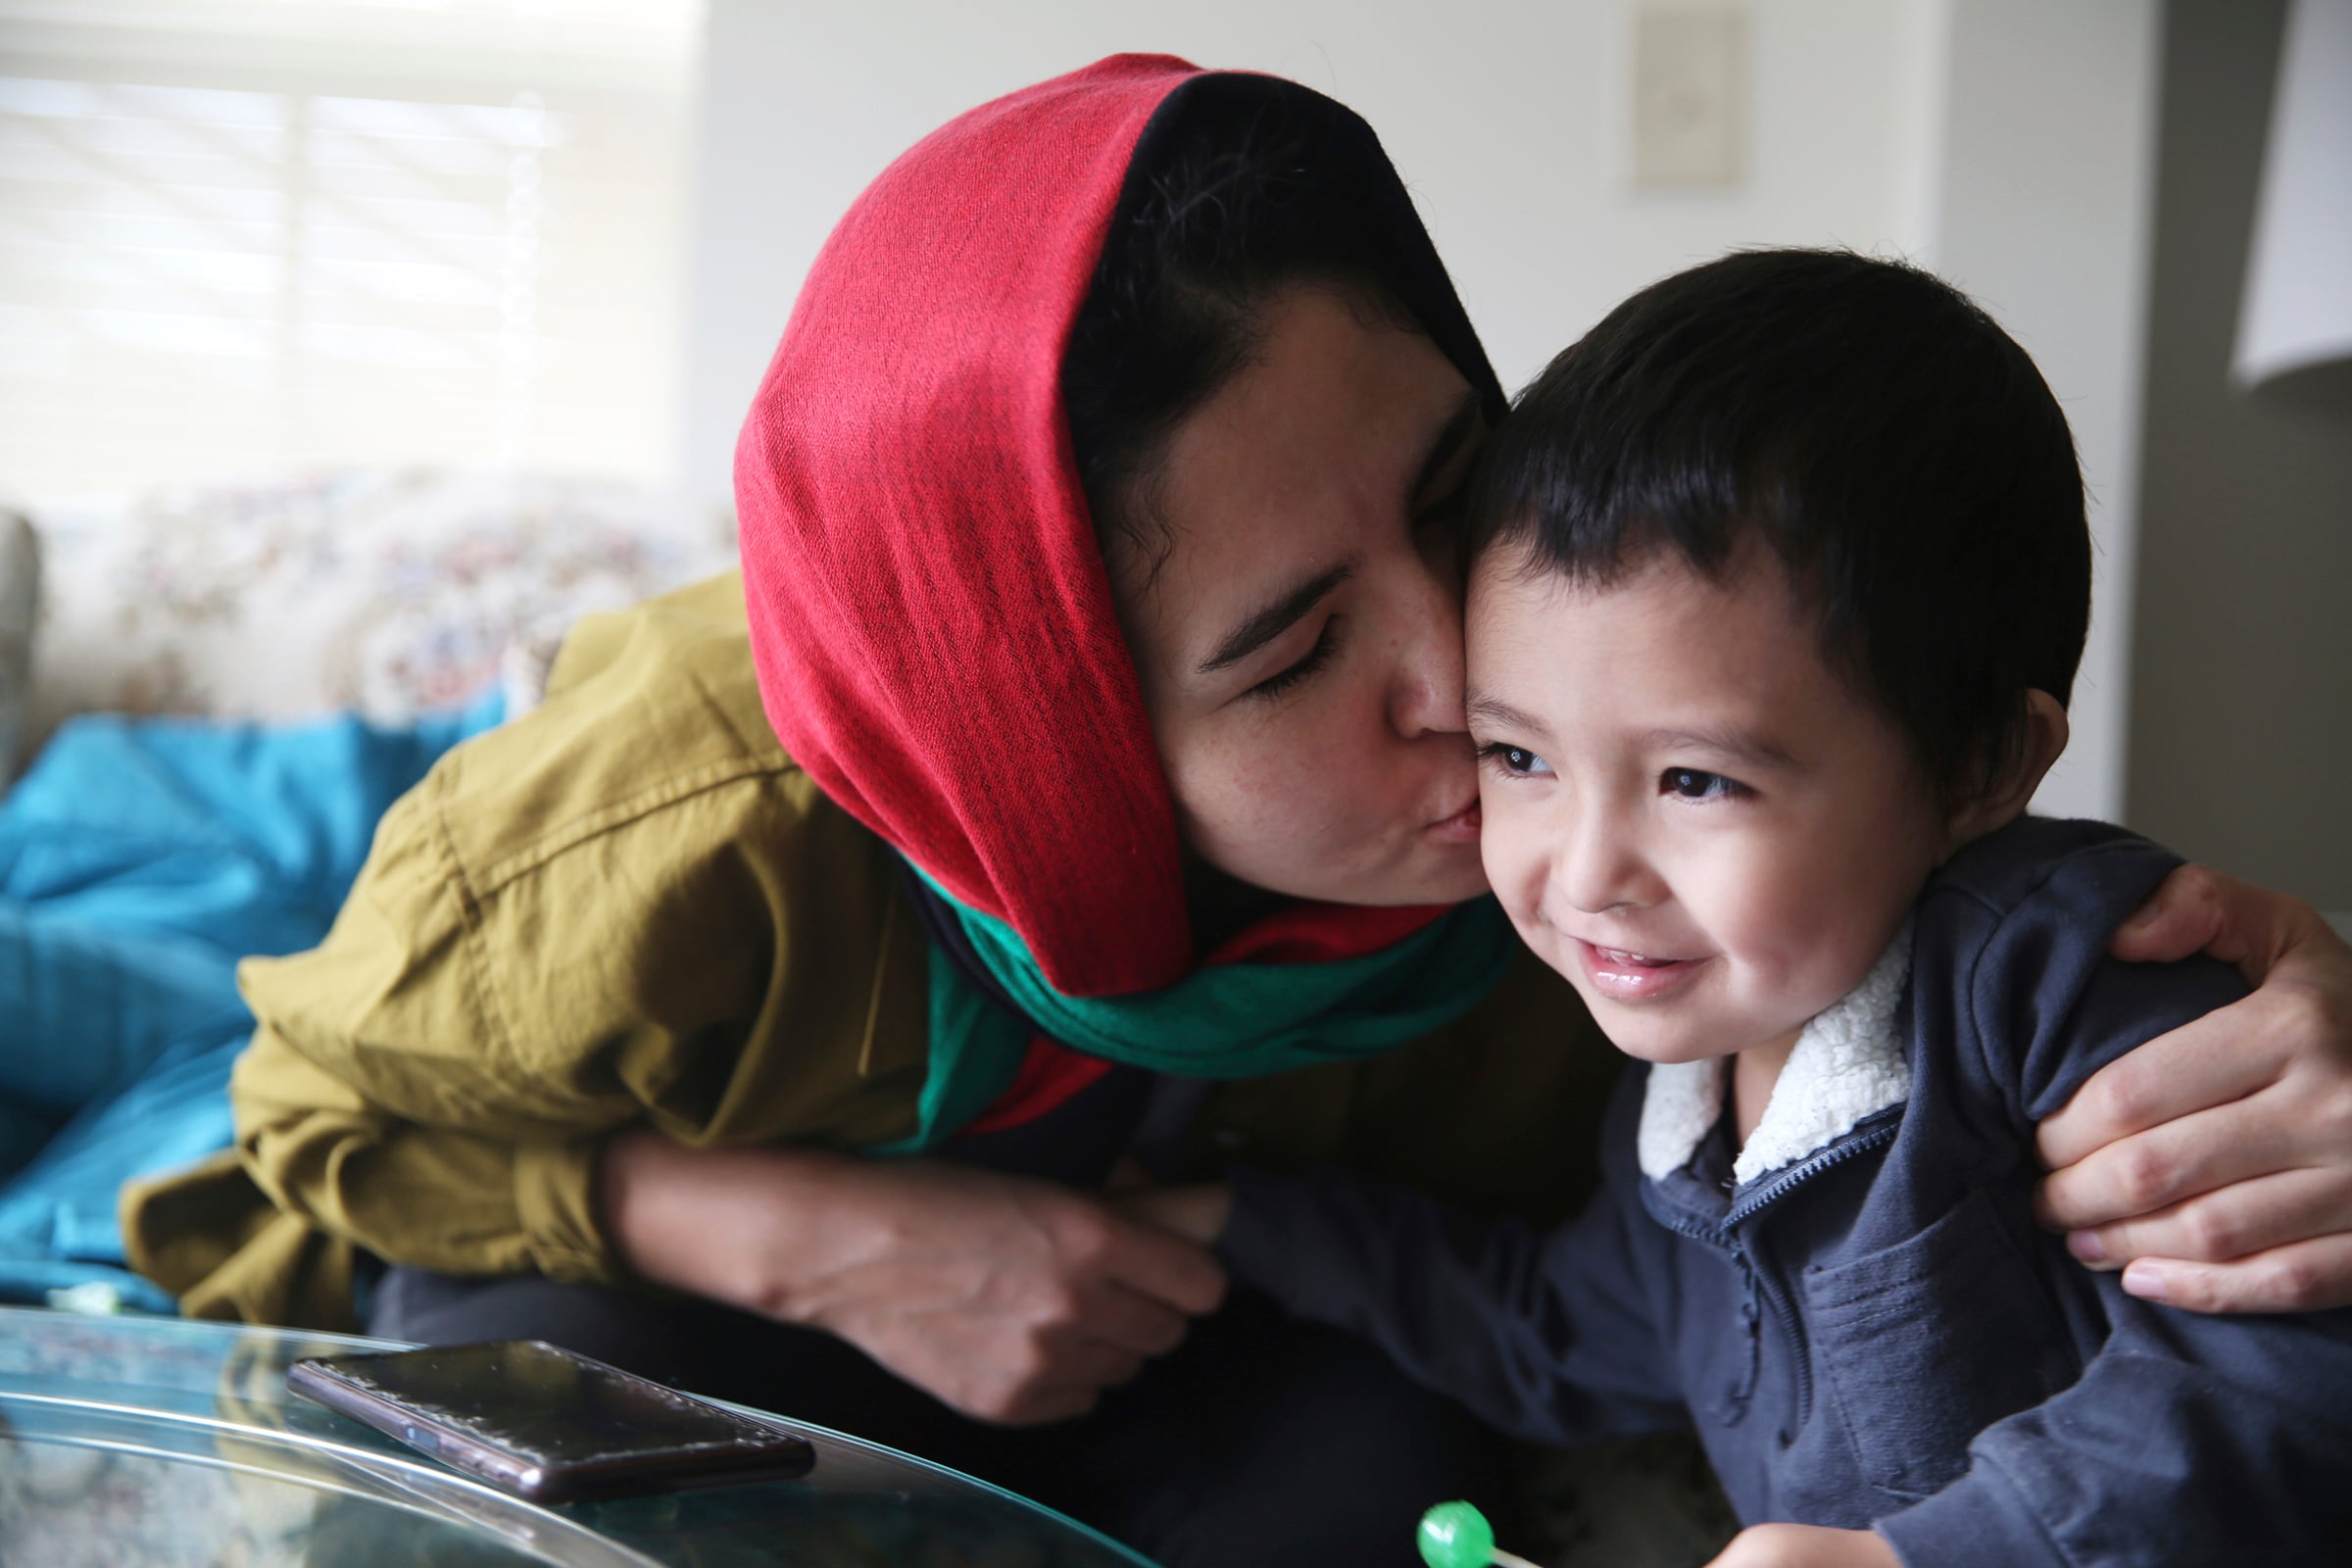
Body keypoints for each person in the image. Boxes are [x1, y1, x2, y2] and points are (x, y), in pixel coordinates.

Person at [118, 59, 2352, 1568]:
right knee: (503, 1377)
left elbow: (1933, 916)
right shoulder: (662, 843)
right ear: (1054, 727)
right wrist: (816, 1233)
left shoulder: (1592, 798)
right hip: (749, 1325)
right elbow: (313, 1138)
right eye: (1290, 651)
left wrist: (2308, 1034)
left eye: (1457, 502)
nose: (1465, 686)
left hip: (1210, 1373)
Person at [1142, 250, 2352, 1566]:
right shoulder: (1680, 1103)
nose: (1586, 869)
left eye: (1697, 780)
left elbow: (2279, 1373)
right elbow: (1548, 1331)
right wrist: (1239, 1224)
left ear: (1979, 768)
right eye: (1520, 759)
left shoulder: (2069, 975)